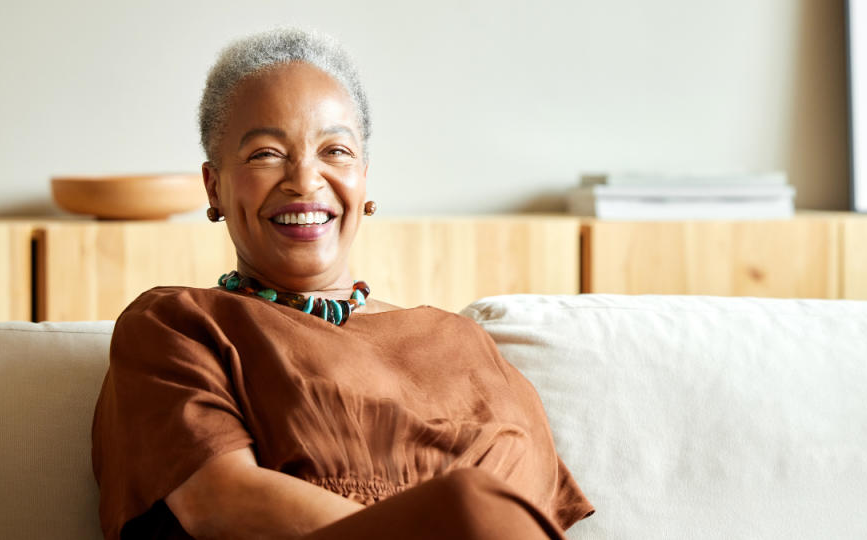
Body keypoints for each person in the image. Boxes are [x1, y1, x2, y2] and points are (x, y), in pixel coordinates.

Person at [91, 27, 594, 540]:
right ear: (214, 186)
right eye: (266, 153)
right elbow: (219, 502)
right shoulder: (178, 327)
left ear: (365, 180)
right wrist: (450, 518)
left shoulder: (468, 346)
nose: (305, 180)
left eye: (335, 151)